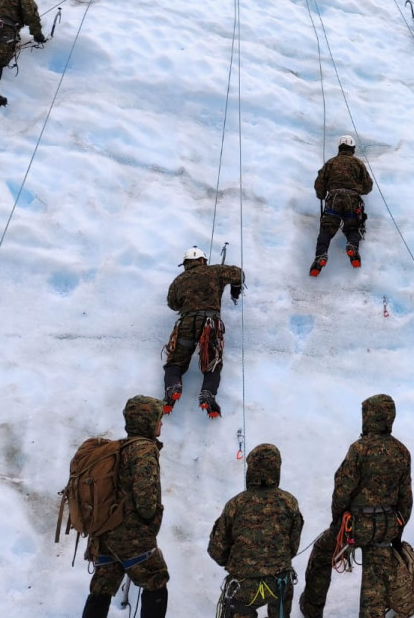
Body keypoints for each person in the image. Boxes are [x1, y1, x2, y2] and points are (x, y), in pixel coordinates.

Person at [298, 395, 412, 618]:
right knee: (375, 583)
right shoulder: (401, 451)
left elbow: (342, 489)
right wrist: (398, 527)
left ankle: (311, 608)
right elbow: (405, 498)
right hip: (386, 527)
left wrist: (337, 520)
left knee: (322, 552)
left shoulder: (359, 449)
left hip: (354, 527)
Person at [80, 395, 169, 618]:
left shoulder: (119, 448)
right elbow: (145, 500)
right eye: (158, 418)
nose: (161, 423)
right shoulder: (144, 450)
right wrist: (152, 519)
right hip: (133, 538)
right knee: (156, 579)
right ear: (147, 421)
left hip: (105, 534)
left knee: (102, 588)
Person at [208, 444, 303, 617]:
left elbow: (217, 550)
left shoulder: (235, 504)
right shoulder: (290, 502)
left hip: (243, 586)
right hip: (279, 583)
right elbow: (293, 547)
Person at [163, 247, 245, 418]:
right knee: (212, 362)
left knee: (175, 363)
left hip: (186, 323)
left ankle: (173, 387)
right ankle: (207, 393)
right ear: (202, 260)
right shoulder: (216, 271)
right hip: (210, 324)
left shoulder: (179, 280)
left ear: (185, 263)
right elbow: (238, 274)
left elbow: (172, 304)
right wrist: (235, 291)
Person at [311, 134, 373, 276]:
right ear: (353, 148)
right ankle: (352, 245)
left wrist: (321, 195)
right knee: (353, 227)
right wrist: (358, 191)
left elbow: (319, 183)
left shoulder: (330, 163)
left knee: (326, 229)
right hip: (352, 199)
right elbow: (368, 186)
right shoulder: (358, 164)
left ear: (339, 147)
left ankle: (320, 256)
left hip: (334, 198)